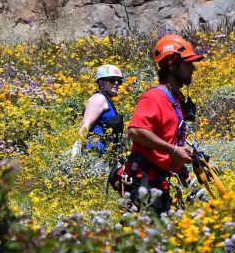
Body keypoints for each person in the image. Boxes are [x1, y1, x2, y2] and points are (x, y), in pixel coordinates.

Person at [114, 35, 203, 214]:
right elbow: (136, 131)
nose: (192, 68)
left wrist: (183, 167)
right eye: (188, 64)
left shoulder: (175, 99)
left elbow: (169, 142)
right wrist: (172, 150)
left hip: (159, 181)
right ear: (172, 65)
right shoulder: (154, 97)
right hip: (144, 182)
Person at [72, 64, 125, 160]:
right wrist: (77, 147)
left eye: (119, 81)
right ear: (101, 83)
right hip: (95, 152)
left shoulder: (108, 101)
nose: (116, 83)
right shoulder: (98, 99)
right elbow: (85, 125)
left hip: (106, 155)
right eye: (112, 79)